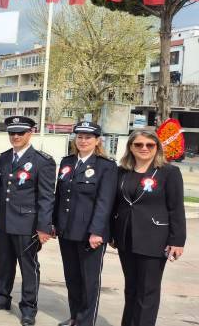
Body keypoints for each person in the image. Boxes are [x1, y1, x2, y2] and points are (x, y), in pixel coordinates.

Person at [0, 116, 56, 326]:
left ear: (30, 133)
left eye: (20, 133)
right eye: (12, 133)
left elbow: (46, 196)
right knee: (4, 264)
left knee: (28, 268)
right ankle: (1, 298)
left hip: (28, 224)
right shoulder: (5, 158)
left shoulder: (43, 161)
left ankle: (28, 308)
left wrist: (44, 227)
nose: (15, 137)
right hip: (5, 221)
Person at [112, 130, 185, 326]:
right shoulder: (122, 172)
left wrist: (177, 241)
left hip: (154, 239)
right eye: (138, 144)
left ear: (157, 147)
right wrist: (112, 232)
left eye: (149, 145)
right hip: (126, 238)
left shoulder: (169, 172)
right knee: (131, 288)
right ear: (130, 147)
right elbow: (115, 204)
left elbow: (176, 208)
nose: (144, 148)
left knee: (147, 290)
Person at [53, 121, 117, 326]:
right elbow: (60, 196)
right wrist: (54, 223)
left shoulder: (105, 166)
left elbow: (105, 202)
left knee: (89, 281)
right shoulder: (67, 162)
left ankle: (86, 321)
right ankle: (75, 317)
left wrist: (96, 231)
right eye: (79, 136)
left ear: (97, 140)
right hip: (66, 230)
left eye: (88, 137)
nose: (83, 140)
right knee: (72, 278)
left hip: (90, 234)